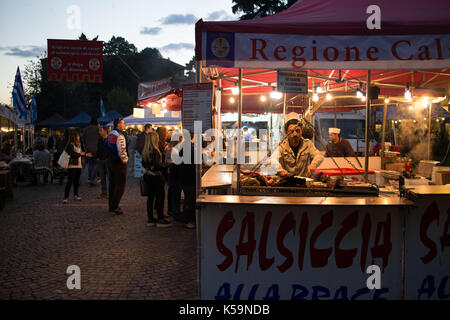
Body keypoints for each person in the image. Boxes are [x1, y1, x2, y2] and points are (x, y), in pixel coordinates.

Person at [277, 112, 324, 177]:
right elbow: (273, 159)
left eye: (297, 131)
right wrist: (279, 169)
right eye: (291, 131)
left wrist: (313, 165)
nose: (295, 134)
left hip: (304, 182)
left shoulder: (308, 144)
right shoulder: (281, 146)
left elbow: (319, 156)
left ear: (301, 131)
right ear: (286, 132)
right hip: (287, 183)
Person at [142, 132, 171, 227]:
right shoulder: (155, 150)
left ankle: (150, 219)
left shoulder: (145, 150)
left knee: (150, 198)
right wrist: (166, 165)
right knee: (160, 197)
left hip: (148, 176)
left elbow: (144, 164)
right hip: (155, 177)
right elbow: (157, 166)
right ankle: (160, 218)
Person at [106, 118, 128, 215]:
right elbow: (121, 150)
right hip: (119, 163)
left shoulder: (111, 134)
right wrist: (125, 160)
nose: (124, 125)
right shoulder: (120, 136)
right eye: (123, 124)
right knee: (120, 186)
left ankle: (111, 205)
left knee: (112, 184)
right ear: (118, 124)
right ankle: (115, 206)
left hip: (111, 161)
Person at [63, 132, 91, 204]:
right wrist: (80, 154)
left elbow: (81, 153)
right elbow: (71, 154)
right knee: (70, 181)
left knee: (77, 181)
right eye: (78, 136)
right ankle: (66, 197)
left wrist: (86, 154)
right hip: (72, 165)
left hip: (79, 165)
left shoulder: (79, 145)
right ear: (74, 137)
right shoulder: (70, 145)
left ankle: (76, 194)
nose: (79, 137)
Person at [166, 136, 182, 221]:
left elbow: (166, 161)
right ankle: (175, 212)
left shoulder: (169, 148)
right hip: (175, 173)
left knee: (171, 192)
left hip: (170, 173)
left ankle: (171, 210)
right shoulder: (175, 150)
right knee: (175, 192)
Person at [82, 118, 100, 186]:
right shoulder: (97, 129)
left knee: (90, 164)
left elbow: (83, 140)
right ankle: (92, 178)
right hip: (96, 149)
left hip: (88, 149)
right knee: (96, 164)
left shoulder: (85, 129)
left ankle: (90, 178)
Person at [96, 126, 110, 199]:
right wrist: (97, 157)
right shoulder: (99, 140)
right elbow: (98, 149)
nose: (99, 132)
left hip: (107, 160)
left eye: (100, 130)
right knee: (102, 178)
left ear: (105, 131)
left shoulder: (109, 139)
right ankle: (104, 192)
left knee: (109, 177)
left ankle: (111, 193)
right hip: (101, 160)